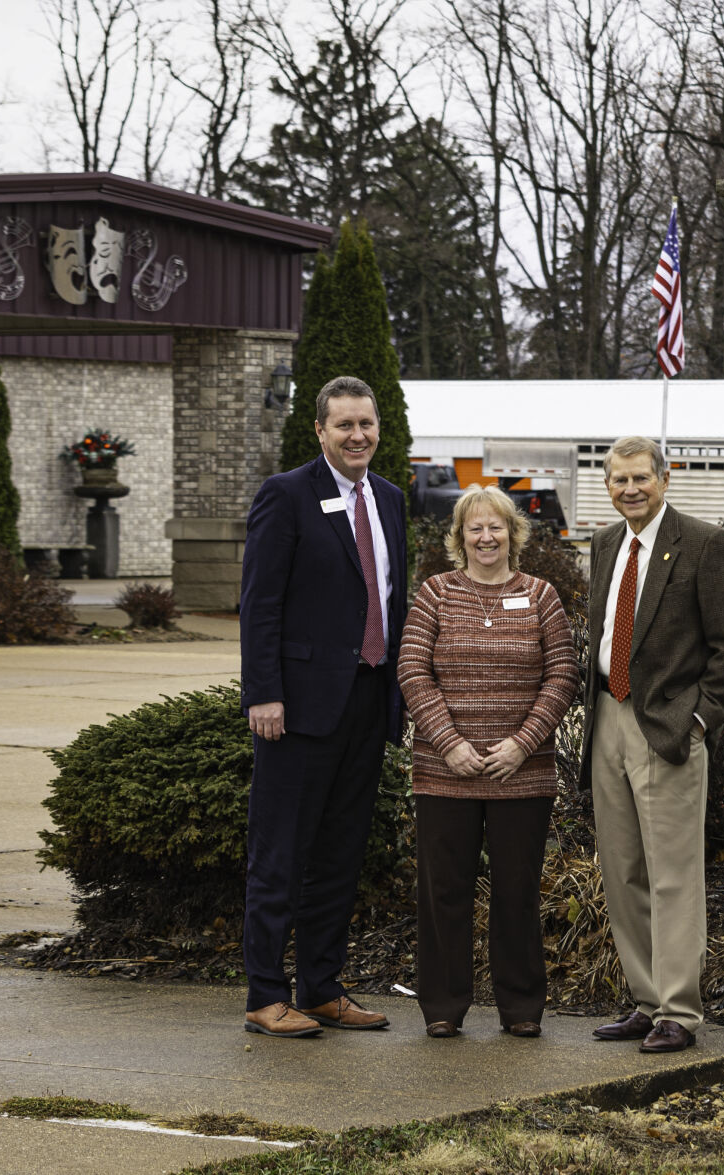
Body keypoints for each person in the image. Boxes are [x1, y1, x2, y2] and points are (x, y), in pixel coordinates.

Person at [238, 375, 406, 1038]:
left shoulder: (390, 498)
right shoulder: (285, 495)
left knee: (340, 852)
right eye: (344, 426)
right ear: (320, 430)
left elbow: (390, 598)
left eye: (366, 424)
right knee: (280, 851)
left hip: (368, 700)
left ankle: (323, 986)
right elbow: (260, 603)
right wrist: (264, 692)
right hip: (298, 706)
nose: (357, 435)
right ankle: (264, 994)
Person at [581, 435, 724, 1053]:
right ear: (608, 485)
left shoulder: (705, 545)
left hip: (668, 729)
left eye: (640, 479)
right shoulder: (603, 545)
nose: (630, 489)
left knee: (674, 874)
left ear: (665, 477)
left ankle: (680, 1010)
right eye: (618, 480)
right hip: (607, 717)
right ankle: (645, 1000)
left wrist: (699, 721)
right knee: (622, 869)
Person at [397, 486, 579, 1038]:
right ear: (459, 538)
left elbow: (563, 674)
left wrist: (522, 743)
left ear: (513, 534)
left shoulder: (541, 595)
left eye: (495, 527)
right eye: (474, 528)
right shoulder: (434, 594)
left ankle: (521, 1008)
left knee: (517, 892)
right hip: (442, 772)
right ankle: (444, 1008)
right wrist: (449, 743)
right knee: (443, 892)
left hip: (521, 775)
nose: (486, 537)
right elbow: (411, 669)